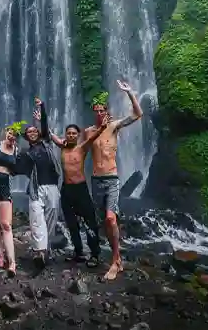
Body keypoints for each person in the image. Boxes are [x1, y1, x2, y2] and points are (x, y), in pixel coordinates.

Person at [83, 80, 143, 281]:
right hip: (96, 181)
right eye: (96, 110)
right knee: (104, 223)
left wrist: (129, 92)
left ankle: (116, 260)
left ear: (106, 111)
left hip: (112, 179)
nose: (99, 113)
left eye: (102, 110)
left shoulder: (114, 126)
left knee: (110, 218)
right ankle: (116, 259)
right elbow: (80, 150)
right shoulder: (89, 131)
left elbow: (137, 114)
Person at [47, 121, 110, 267]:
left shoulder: (82, 148)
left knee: (89, 222)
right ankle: (78, 252)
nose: (71, 135)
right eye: (68, 133)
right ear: (66, 135)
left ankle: (95, 254)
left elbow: (92, 138)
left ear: (78, 135)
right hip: (66, 189)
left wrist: (102, 127)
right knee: (71, 223)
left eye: (74, 133)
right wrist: (40, 119)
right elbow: (50, 134)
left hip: (81, 189)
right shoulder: (62, 147)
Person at [15, 97, 63, 270]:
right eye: (29, 132)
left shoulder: (47, 143)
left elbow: (44, 124)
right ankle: (39, 252)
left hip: (52, 187)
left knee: (50, 220)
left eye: (35, 131)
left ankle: (46, 249)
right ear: (26, 137)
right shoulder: (26, 152)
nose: (33, 133)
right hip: (35, 189)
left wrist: (42, 107)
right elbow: (17, 167)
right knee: (36, 220)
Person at [0, 122, 22, 277]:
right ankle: (1, 256)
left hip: (4, 186)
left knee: (6, 224)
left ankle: (12, 262)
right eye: (10, 132)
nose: (11, 135)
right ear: (5, 132)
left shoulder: (16, 150)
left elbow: (16, 170)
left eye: (15, 134)